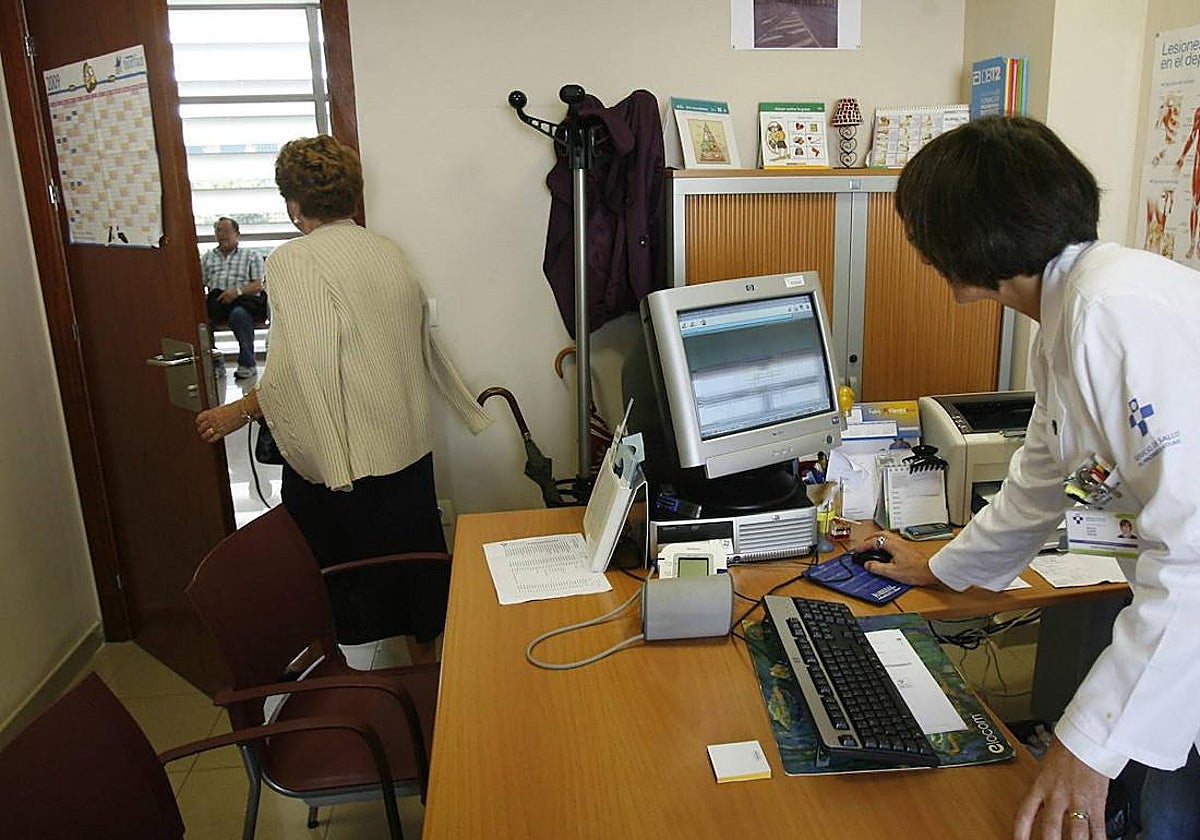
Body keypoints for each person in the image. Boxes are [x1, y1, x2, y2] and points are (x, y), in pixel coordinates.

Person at [851, 116, 1200, 840]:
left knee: (1160, 808)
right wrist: (942, 568)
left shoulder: (1112, 313)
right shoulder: (1070, 316)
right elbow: (1042, 481)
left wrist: (1084, 746)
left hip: (1185, 614)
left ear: (961, 246)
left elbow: (1194, 556)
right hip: (1177, 628)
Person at [194, 135, 492, 664]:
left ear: (293, 204)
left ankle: (339, 686)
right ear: (353, 194)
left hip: (348, 464)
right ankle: (431, 689)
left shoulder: (294, 261)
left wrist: (237, 411)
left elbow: (300, 368)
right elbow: (416, 340)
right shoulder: (386, 249)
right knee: (416, 580)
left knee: (330, 586)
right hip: (404, 448)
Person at [201, 217, 267, 379]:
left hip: (244, 301)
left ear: (237, 234)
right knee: (202, 320)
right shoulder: (208, 257)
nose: (222, 235)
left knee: (239, 315)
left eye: (226, 231)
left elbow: (259, 284)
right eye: (218, 231)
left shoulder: (251, 256)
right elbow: (199, 284)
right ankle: (215, 361)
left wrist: (236, 292)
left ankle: (247, 363)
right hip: (218, 302)